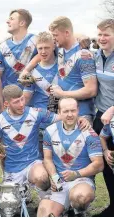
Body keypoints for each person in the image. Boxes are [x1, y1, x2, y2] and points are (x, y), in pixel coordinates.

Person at [0, 85, 90, 202]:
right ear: (6, 104)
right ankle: (23, 191)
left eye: (22, 99)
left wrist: (81, 118)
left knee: (42, 178)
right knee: (8, 205)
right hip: (12, 168)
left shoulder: (35, 113)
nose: (21, 104)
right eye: (16, 102)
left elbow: (62, 117)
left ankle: (46, 199)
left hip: (32, 162)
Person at [37, 98, 104, 216]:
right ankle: (64, 209)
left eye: (73, 111)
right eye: (66, 111)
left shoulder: (89, 133)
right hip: (59, 182)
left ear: (78, 110)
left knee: (80, 197)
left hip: (81, 180)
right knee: (44, 213)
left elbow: (99, 164)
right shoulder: (50, 131)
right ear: (59, 112)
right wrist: (54, 177)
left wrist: (76, 174)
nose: (70, 114)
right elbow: (47, 159)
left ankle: (78, 211)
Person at [48, 16, 97, 124]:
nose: (53, 38)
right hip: (64, 112)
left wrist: (62, 94)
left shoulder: (84, 55)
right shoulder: (60, 49)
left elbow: (91, 90)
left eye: (55, 35)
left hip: (81, 114)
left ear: (66, 33)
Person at [0, 9, 37, 112]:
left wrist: (82, 37)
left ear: (22, 23)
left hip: (33, 103)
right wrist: (1, 104)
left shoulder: (36, 41)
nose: (7, 21)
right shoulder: (2, 47)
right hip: (11, 103)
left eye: (11, 19)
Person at [92, 19, 114, 217]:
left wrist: (113, 109)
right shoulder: (96, 56)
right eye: (99, 34)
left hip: (112, 113)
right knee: (107, 161)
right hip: (102, 115)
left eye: (106, 34)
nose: (102, 38)